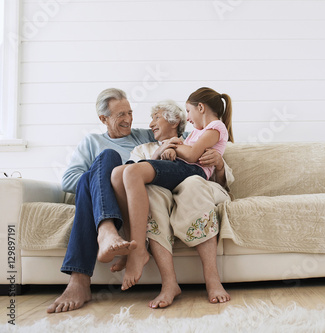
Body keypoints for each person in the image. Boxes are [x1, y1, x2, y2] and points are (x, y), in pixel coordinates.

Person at [47, 88, 231, 313]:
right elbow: (68, 180)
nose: (129, 120)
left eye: (130, 113)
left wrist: (213, 160)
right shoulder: (92, 142)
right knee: (102, 162)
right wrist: (100, 183)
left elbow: (185, 146)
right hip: (107, 194)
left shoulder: (152, 136)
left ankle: (86, 272)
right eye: (120, 115)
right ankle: (104, 235)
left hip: (138, 187)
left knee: (119, 169)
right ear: (103, 119)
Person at [110, 87, 233, 293]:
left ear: (174, 121)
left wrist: (176, 148)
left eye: (156, 117)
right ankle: (167, 282)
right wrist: (160, 152)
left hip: (191, 178)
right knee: (119, 174)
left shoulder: (196, 137)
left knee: (137, 174)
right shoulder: (145, 148)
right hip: (161, 182)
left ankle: (138, 250)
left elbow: (206, 167)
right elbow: (130, 172)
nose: (150, 124)